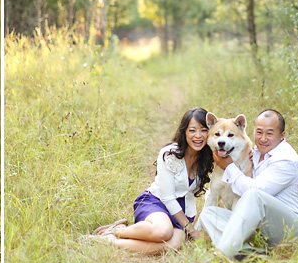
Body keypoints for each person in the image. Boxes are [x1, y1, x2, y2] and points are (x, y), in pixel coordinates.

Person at [91, 107, 213, 255]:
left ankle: (110, 240)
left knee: (174, 244)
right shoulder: (170, 154)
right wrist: (191, 230)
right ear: (184, 132)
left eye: (203, 130)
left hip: (181, 212)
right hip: (157, 202)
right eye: (192, 130)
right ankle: (119, 230)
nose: (198, 136)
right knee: (163, 232)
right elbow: (167, 197)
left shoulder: (208, 157)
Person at [197, 109, 298, 260]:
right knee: (209, 214)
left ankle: (218, 257)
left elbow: (255, 191)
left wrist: (228, 166)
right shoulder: (255, 153)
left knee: (253, 194)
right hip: (260, 223)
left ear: (282, 136)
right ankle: (250, 254)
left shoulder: (286, 161)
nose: (263, 138)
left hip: (290, 228)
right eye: (259, 132)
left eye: (269, 133)